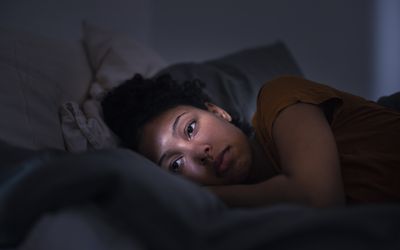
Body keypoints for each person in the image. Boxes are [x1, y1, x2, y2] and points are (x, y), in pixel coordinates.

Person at [101, 74, 400, 208]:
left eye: (190, 129)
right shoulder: (250, 214)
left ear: (217, 111)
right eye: (176, 164)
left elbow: (319, 200)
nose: (200, 153)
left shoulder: (278, 98)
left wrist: (199, 197)